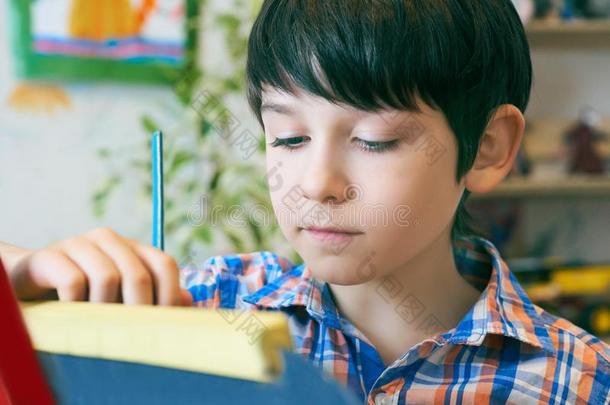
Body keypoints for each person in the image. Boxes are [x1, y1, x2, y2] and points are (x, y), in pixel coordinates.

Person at [2, 1, 609, 403]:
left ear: (486, 148)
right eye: (288, 137)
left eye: (374, 140)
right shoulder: (197, 310)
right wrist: (22, 276)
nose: (315, 184)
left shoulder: (581, 382)